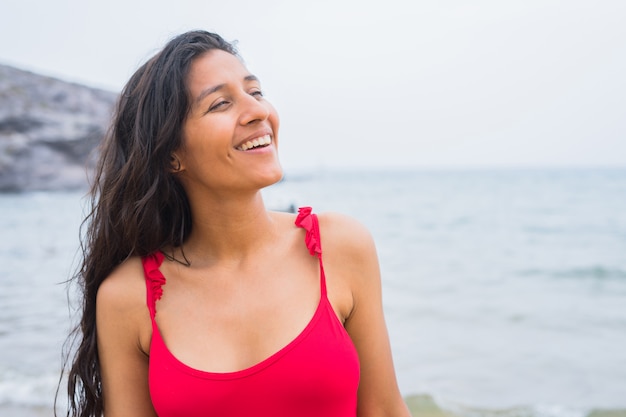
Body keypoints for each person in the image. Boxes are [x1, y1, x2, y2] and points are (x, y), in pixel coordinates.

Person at [62, 30, 411, 417]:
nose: (258, 111)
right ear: (171, 155)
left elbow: (384, 409)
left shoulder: (340, 246)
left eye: (256, 92)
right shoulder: (127, 297)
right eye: (220, 104)